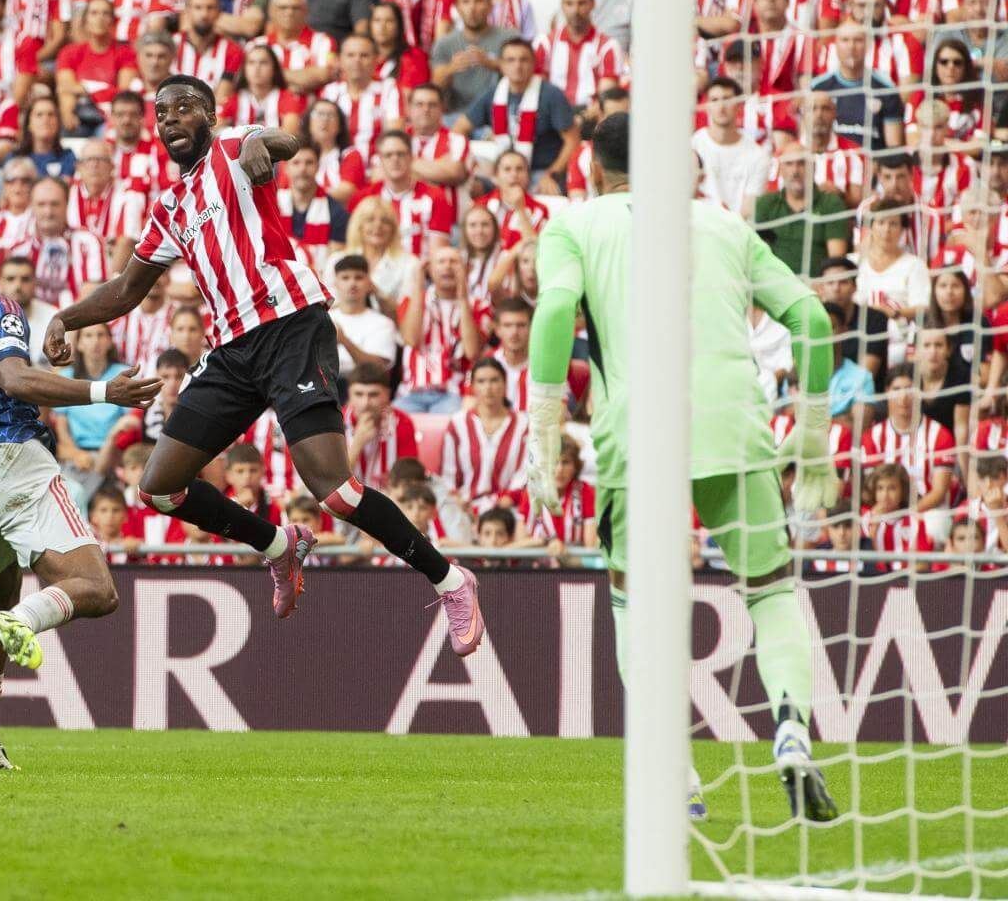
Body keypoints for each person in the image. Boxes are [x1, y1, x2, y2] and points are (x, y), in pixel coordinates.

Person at [41, 74, 484, 638]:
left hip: (289, 326)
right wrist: (65, 318)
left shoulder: (233, 147)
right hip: (232, 350)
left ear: (211, 116)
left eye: (184, 107)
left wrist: (259, 142)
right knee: (158, 488)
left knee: (336, 492)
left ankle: (450, 580)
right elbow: (126, 289)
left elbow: (285, 141)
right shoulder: (170, 207)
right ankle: (278, 545)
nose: (171, 118)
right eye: (162, 112)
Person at [523, 112, 839, 824]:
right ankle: (791, 733)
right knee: (770, 590)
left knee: (636, 600)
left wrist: (544, 424)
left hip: (638, 436)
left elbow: (555, 312)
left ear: (593, 167)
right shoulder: (725, 224)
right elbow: (813, 320)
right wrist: (815, 431)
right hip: (735, 426)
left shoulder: (575, 225)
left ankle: (676, 774)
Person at [0, 210, 159, 769]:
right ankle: (21, 623)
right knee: (97, 589)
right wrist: (104, 391)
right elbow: (14, 379)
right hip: (11, 461)